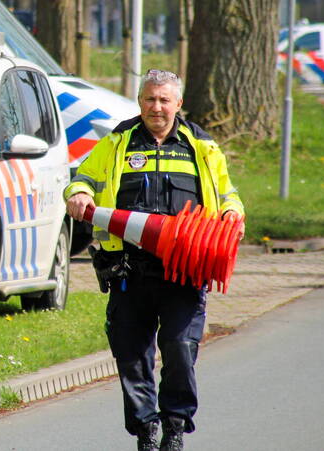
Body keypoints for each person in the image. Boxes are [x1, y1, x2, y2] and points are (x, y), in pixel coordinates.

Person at [63, 69, 244, 451]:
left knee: (180, 347)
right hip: (130, 270)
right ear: (140, 101)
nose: (156, 107)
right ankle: (146, 431)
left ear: (178, 104)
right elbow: (84, 178)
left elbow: (226, 192)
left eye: (164, 100)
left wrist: (232, 213)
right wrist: (79, 193)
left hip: (186, 270)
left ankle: (175, 427)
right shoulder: (118, 141)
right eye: (150, 99)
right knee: (132, 357)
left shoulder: (201, 145)